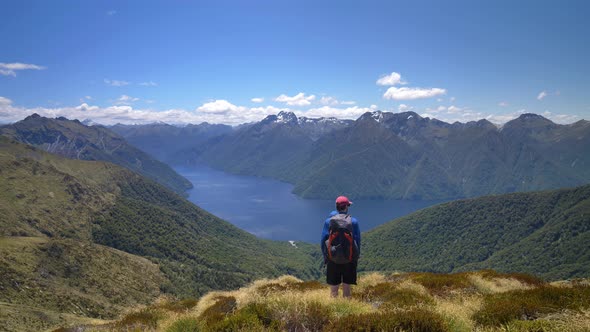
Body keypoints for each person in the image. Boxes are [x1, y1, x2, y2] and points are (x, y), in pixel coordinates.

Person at [321, 196, 361, 298]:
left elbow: (323, 240)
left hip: (333, 258)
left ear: (336, 207)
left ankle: (333, 310)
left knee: (334, 288)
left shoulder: (328, 221)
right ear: (347, 207)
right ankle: (346, 310)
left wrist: (326, 257)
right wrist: (355, 257)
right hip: (349, 258)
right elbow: (357, 241)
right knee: (347, 287)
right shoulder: (353, 221)